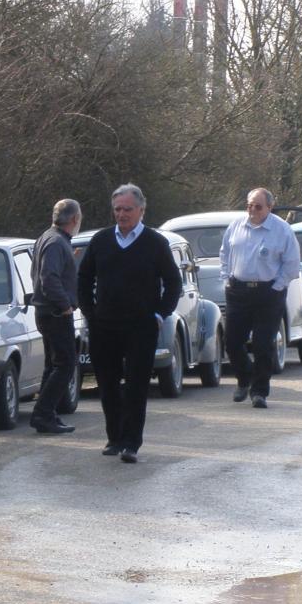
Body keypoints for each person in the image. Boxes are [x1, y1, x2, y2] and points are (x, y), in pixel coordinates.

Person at [77, 184, 181, 463]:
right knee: (107, 383)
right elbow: (84, 278)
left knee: (135, 385)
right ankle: (114, 437)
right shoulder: (100, 241)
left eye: (127, 209)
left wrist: (160, 314)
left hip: (141, 326)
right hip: (104, 325)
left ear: (141, 210)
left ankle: (131, 443)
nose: (122, 215)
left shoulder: (155, 243)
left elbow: (173, 282)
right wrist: (90, 312)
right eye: (117, 209)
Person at [220, 188, 301, 409]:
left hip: (268, 292)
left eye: (258, 206)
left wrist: (277, 287)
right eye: (249, 205)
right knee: (232, 341)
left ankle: (259, 391)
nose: (252, 210)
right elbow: (225, 253)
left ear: (269, 207)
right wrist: (226, 279)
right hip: (238, 292)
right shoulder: (236, 225)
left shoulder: (281, 230)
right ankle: (244, 378)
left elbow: (292, 264)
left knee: (263, 344)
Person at [29, 199, 83, 435]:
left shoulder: (51, 239)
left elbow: (51, 271)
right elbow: (48, 277)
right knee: (65, 364)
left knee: (54, 365)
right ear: (74, 219)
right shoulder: (55, 242)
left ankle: (47, 414)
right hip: (55, 312)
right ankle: (42, 413)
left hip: (47, 311)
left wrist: (69, 257)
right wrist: (64, 305)